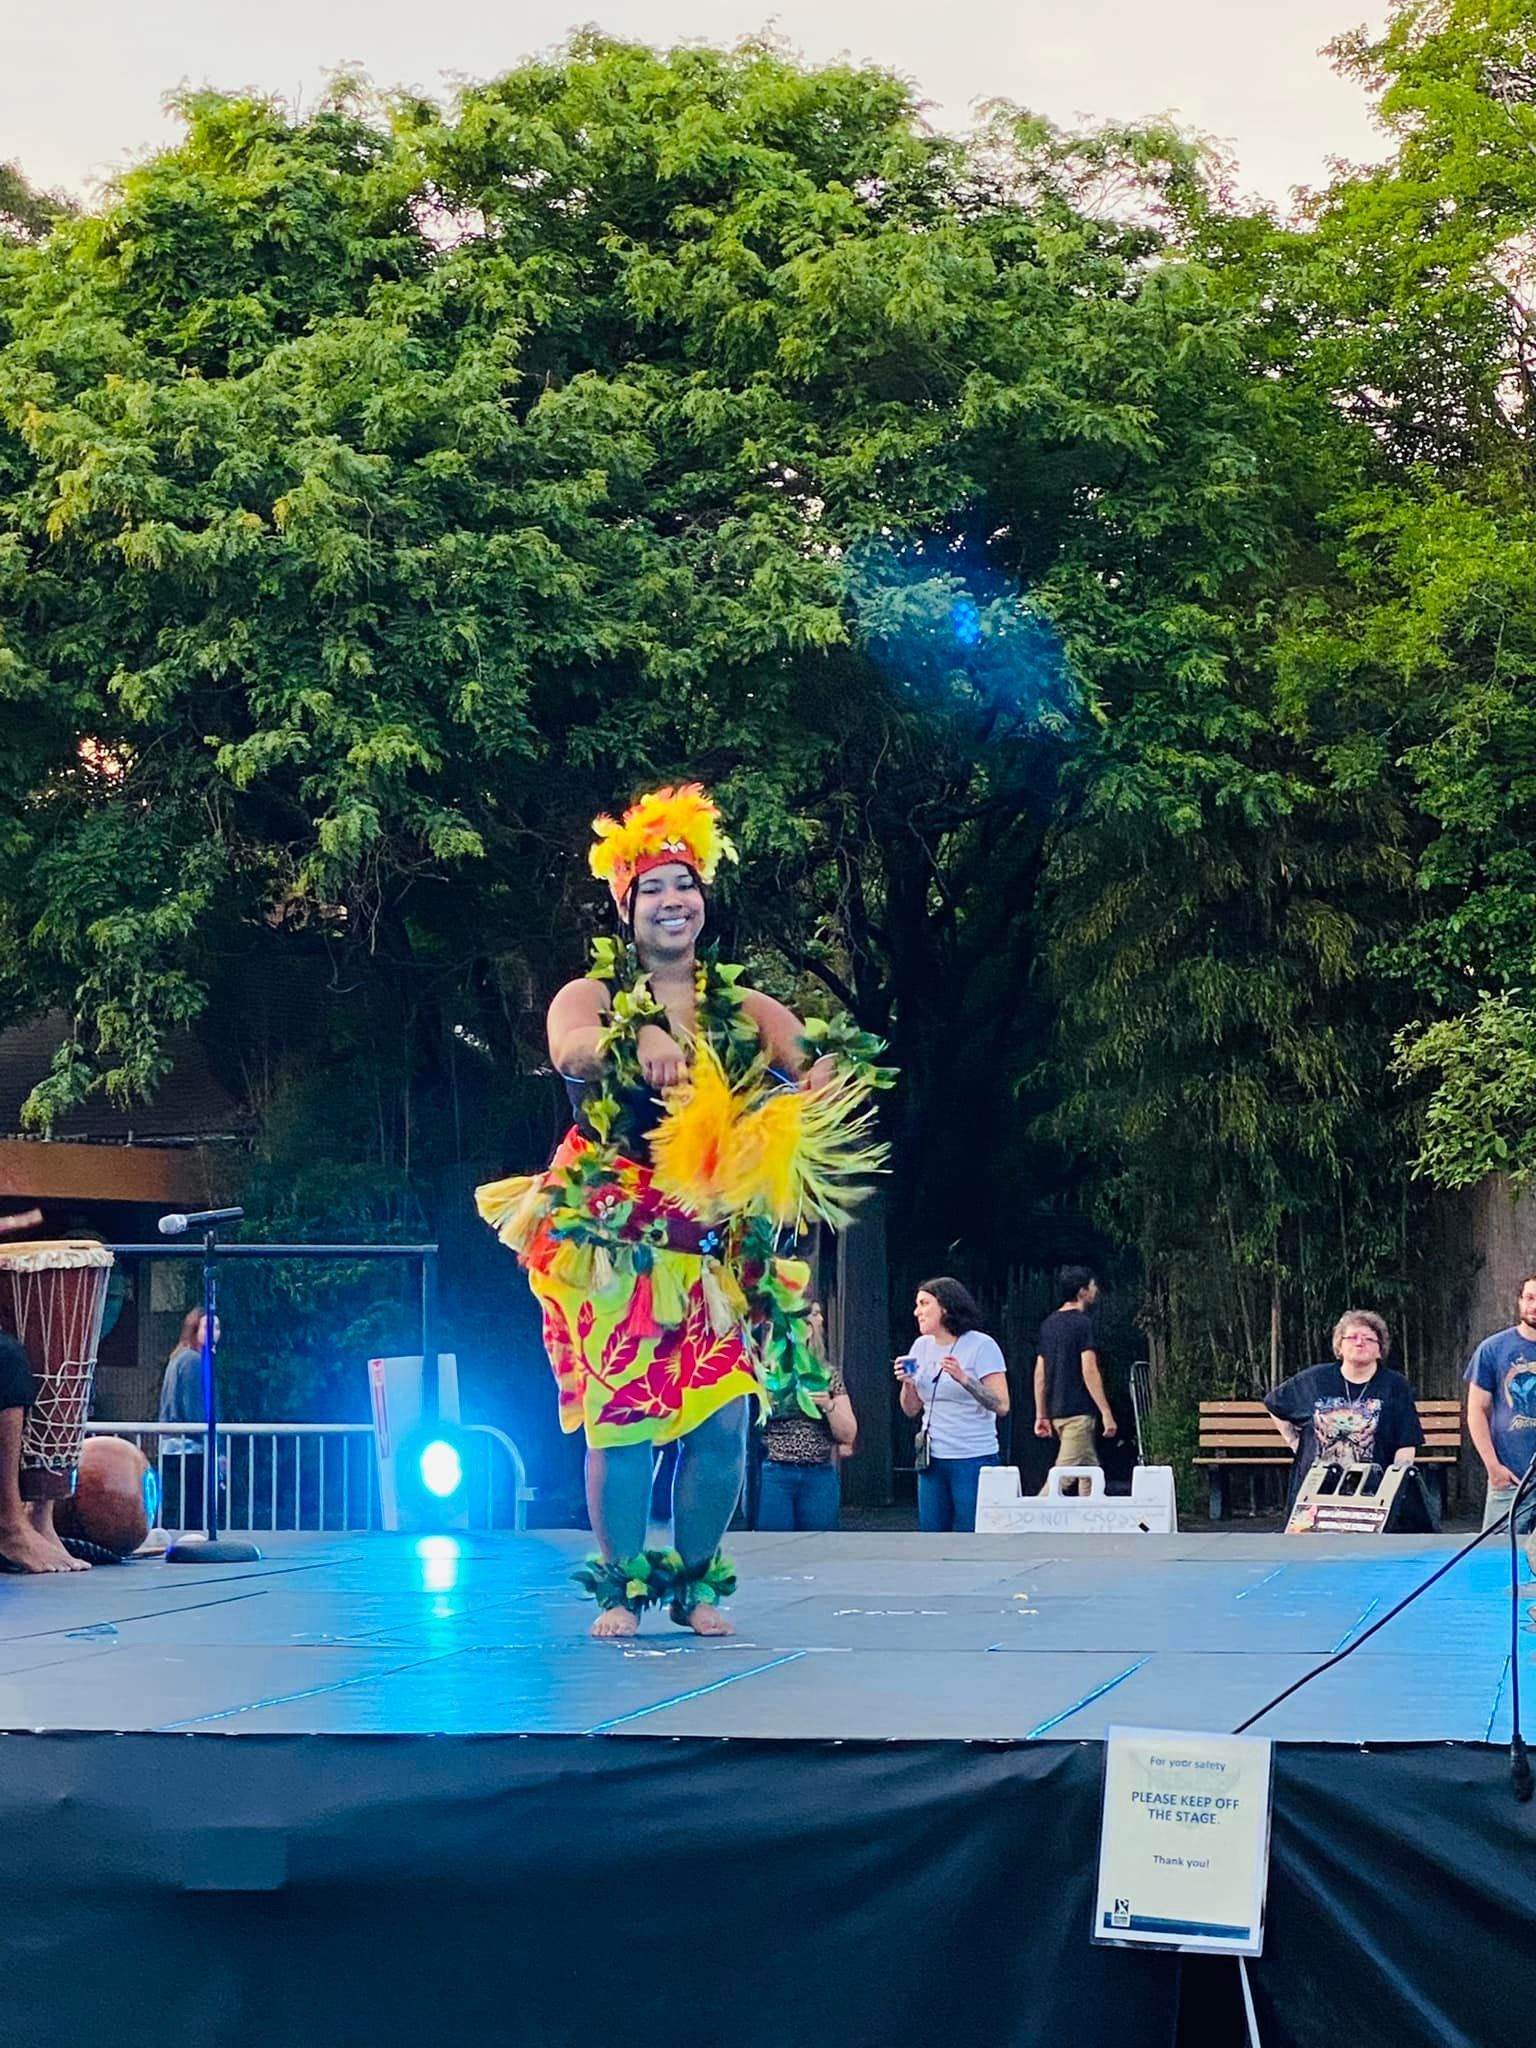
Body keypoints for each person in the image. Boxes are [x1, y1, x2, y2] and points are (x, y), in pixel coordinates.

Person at [476, 785, 890, 1637]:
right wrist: (640, 1037)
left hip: (714, 1241)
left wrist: (790, 1121)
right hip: (619, 1237)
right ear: (626, 905)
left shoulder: (746, 1009)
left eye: (687, 886)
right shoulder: (589, 996)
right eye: (656, 888)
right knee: (621, 1427)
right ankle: (621, 1588)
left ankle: (698, 1586)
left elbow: (818, 1073)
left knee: (720, 1431)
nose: (674, 901)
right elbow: (570, 1050)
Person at [1264, 1310, 1424, 1511]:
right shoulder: (1315, 1379)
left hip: (1372, 1495)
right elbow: (1274, 1403)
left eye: (1369, 1339)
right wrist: (1293, 1441)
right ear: (1339, 1345)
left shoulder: (1395, 1385)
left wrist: (1395, 1487)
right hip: (1313, 1494)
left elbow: (1406, 1441)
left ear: (1379, 1350)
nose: (1360, 1343)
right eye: (1352, 1337)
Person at [895, 1277, 1009, 1533]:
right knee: (932, 1531)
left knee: (972, 1530)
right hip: (932, 1457)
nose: (917, 1312)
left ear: (945, 1307)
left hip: (972, 1455)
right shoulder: (920, 1346)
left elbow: (1001, 1405)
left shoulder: (981, 1345)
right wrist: (908, 1383)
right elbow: (910, 1409)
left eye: (924, 1304)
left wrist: (964, 1379)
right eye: (917, 1305)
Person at [757, 1304, 857, 1531]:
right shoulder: (764, 1374)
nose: (821, 1320)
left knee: (817, 1546)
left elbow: (849, 1433)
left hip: (818, 1473)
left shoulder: (827, 1374)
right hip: (775, 1471)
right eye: (815, 1314)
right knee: (774, 1545)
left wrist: (828, 1405)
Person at [1464, 1274, 1536, 1555]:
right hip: (1510, 1478)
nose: (1534, 1305)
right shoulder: (1493, 1349)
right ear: (1519, 1302)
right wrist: (1493, 1467)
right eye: (1530, 1298)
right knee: (1496, 1560)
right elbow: (1476, 1412)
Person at [1033, 1266, 1116, 1495]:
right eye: (1092, 1286)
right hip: (1078, 1413)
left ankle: (1089, 1525)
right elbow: (1089, 1370)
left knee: (1090, 1473)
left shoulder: (1048, 1324)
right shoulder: (1082, 1323)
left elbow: (1040, 1374)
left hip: (1057, 1412)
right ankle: (1028, 1520)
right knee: (1063, 1477)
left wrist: (1041, 1414)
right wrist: (1106, 1412)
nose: (1095, 1290)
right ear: (1082, 1291)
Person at [158, 1308, 215, 1528]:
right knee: (192, 1509)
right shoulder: (192, 1360)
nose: (215, 1333)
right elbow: (194, 1408)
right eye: (209, 1328)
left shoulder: (179, 1356)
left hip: (175, 1445)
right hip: (190, 1447)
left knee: (180, 1507)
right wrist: (210, 1442)